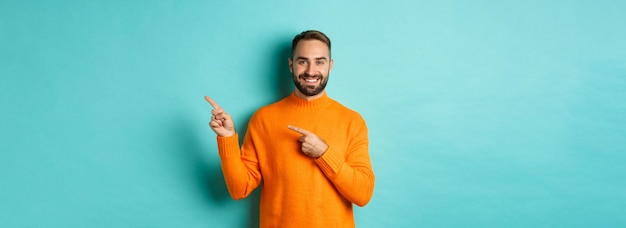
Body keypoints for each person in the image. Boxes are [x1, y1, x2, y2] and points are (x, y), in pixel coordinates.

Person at [204, 30, 375, 227]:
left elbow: (363, 194)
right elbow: (238, 189)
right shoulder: (263, 119)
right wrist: (227, 138)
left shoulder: (352, 121)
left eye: (320, 61)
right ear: (291, 65)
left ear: (330, 65)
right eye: (303, 61)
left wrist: (324, 154)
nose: (311, 71)